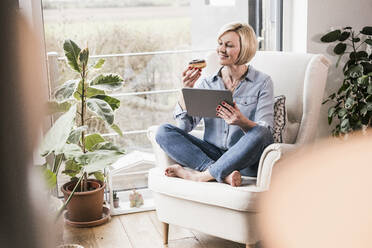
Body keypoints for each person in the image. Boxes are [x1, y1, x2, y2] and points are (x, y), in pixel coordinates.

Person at [155, 22, 274, 187]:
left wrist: (241, 122)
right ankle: (220, 174)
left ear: (245, 48)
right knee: (163, 132)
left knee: (261, 132)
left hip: (243, 159)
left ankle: (199, 177)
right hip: (212, 154)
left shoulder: (263, 82)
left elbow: (266, 133)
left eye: (229, 45)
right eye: (220, 44)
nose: (221, 49)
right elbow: (184, 128)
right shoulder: (207, 83)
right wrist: (185, 90)